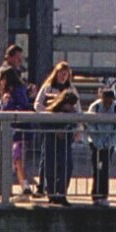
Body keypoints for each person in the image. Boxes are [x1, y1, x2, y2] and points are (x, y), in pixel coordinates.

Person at [34, 60, 79, 205]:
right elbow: (37, 104)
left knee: (66, 163)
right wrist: (47, 114)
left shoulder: (71, 89)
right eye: (61, 74)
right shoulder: (48, 88)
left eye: (66, 74)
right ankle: (51, 192)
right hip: (50, 130)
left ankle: (62, 193)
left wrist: (77, 128)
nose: (63, 77)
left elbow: (78, 110)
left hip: (66, 132)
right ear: (56, 73)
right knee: (49, 162)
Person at [0, 63, 34, 194]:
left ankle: (24, 186)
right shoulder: (8, 92)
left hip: (18, 130)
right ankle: (10, 187)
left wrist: (8, 103)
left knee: (17, 157)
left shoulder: (17, 90)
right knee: (13, 159)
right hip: (10, 130)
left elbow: (22, 107)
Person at [86, 84, 116, 203]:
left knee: (105, 168)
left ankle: (104, 195)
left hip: (109, 143)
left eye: (109, 101)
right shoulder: (94, 107)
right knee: (96, 168)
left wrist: (110, 142)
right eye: (105, 100)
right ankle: (95, 194)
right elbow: (90, 125)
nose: (107, 103)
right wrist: (98, 141)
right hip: (95, 141)